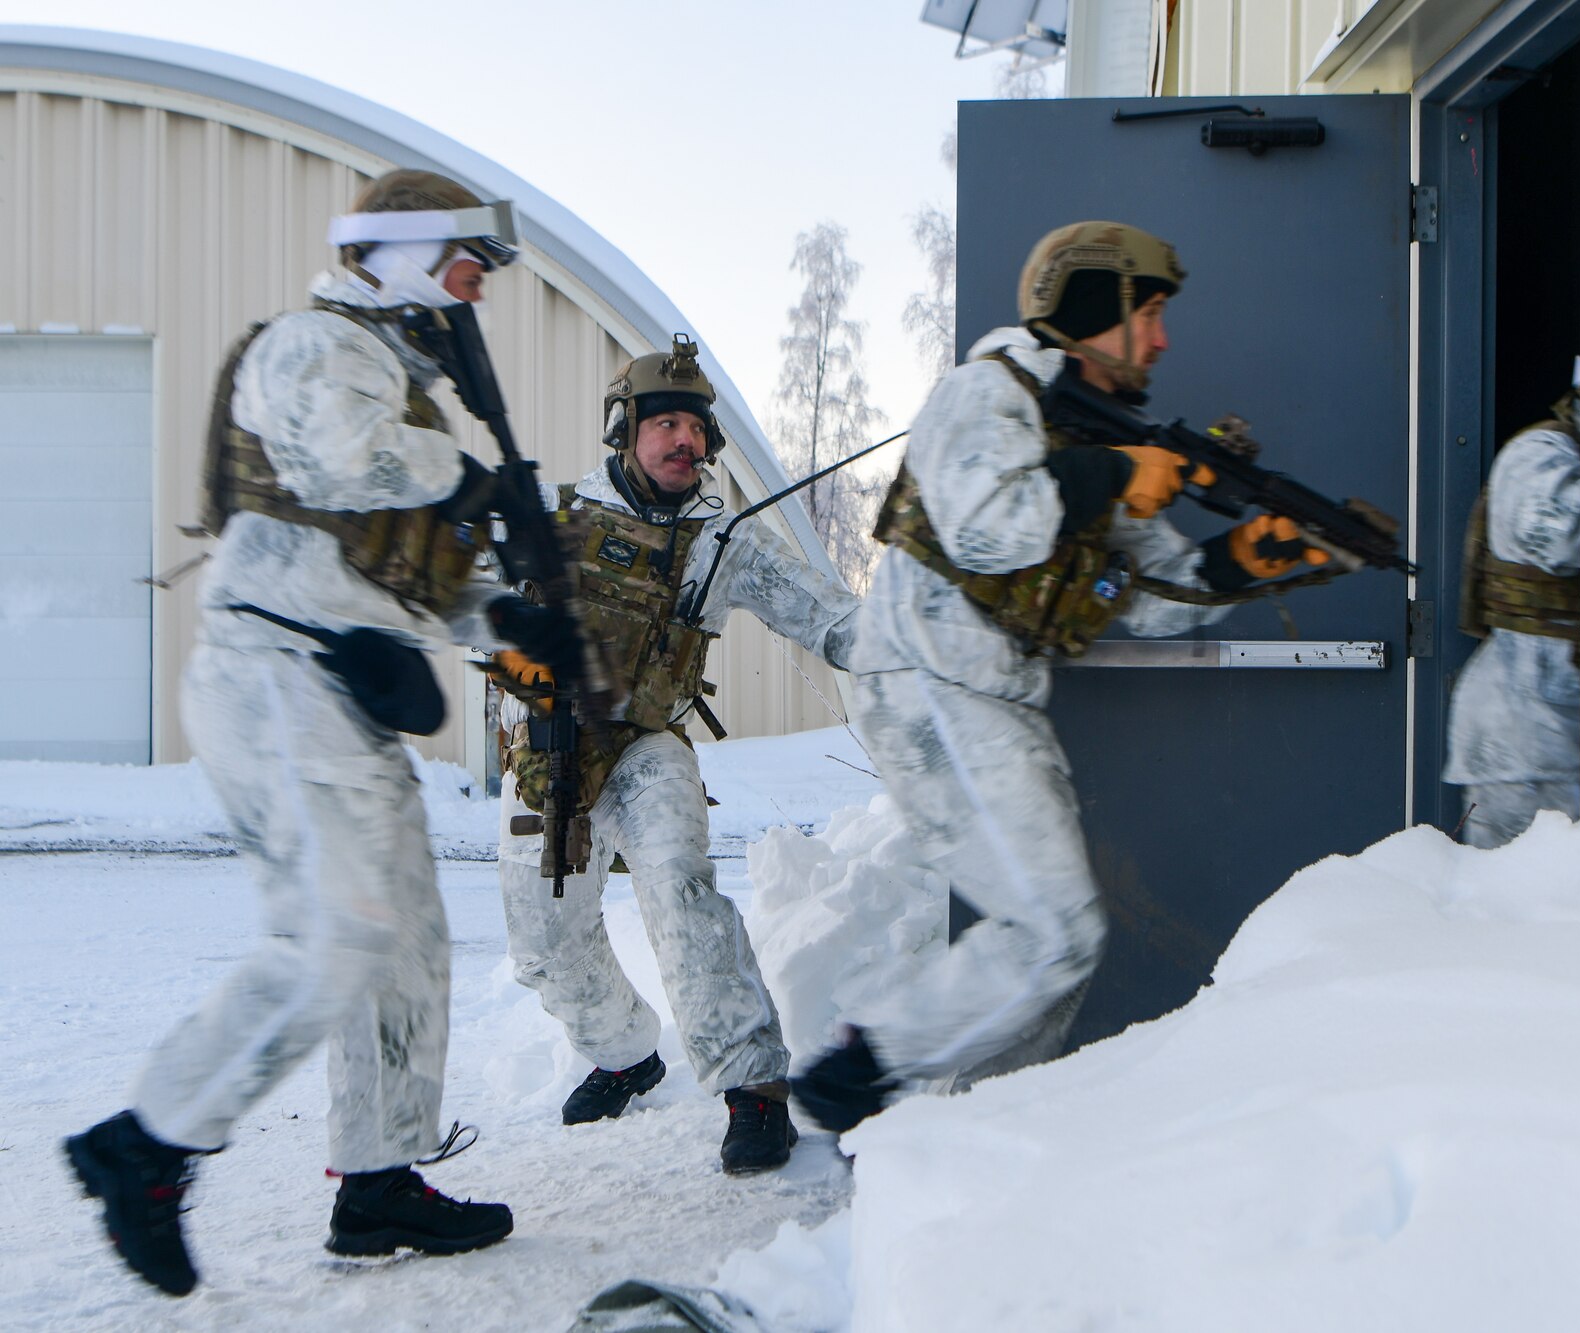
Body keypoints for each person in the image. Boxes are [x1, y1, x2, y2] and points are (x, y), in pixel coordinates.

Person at [64, 169, 571, 1296]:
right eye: (466, 265)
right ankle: (146, 1142)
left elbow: (418, 583)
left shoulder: (405, 393)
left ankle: (378, 1178)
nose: (475, 291)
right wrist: (476, 477)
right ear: (403, 250)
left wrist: (515, 625)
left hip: (340, 686)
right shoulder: (315, 345)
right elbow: (338, 463)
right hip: (273, 669)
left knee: (402, 946)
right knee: (334, 934)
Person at [791, 220, 1344, 1132]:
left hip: (1001, 704)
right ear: (1096, 308)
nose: (1164, 339)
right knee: (1052, 932)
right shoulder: (985, 394)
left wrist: (1247, 557)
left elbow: (1158, 598)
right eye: (1151, 313)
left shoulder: (1100, 437)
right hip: (928, 687)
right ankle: (862, 1067)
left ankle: (976, 1134)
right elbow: (984, 527)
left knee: (1056, 952)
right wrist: (1117, 474)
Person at [494, 337, 859, 1174]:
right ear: (625, 430)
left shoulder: (721, 540)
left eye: (694, 427)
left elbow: (823, 613)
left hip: (647, 747)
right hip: (551, 756)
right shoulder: (551, 521)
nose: (681, 441)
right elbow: (451, 594)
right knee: (544, 942)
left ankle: (753, 1089)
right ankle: (625, 1052)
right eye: (662, 423)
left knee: (681, 890)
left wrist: (912, 641)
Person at [1443, 364, 1580, 848]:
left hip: (1551, 725)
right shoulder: (1540, 453)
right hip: (1521, 735)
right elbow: (1560, 535)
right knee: (1508, 899)